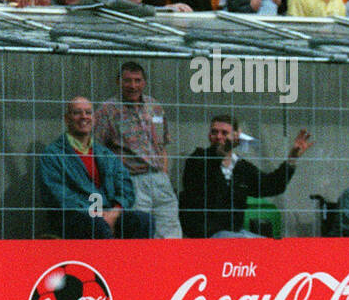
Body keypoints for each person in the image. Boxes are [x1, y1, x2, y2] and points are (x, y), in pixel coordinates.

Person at [39, 96, 152, 239]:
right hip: (74, 217)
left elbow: (126, 187)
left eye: (88, 112)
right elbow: (57, 195)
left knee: (143, 221)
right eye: (77, 113)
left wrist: (114, 213)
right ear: (67, 119)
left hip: (107, 214)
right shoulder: (53, 154)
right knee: (97, 225)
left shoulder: (105, 154)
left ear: (94, 118)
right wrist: (96, 213)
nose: (84, 117)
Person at [178, 116, 312, 237]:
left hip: (234, 233)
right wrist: (225, 148)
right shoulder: (198, 159)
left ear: (235, 136)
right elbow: (211, 163)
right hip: (205, 235)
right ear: (209, 135)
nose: (218, 136)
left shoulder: (241, 167)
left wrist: (292, 158)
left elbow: (271, 186)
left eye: (224, 133)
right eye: (214, 132)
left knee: (271, 247)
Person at [93, 62, 181, 238]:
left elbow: (162, 145)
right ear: (118, 82)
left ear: (144, 83)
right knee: (141, 232)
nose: (133, 85)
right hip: (132, 180)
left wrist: (163, 173)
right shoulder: (107, 110)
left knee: (170, 232)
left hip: (159, 180)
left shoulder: (154, 106)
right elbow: (98, 150)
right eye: (127, 80)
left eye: (137, 80)